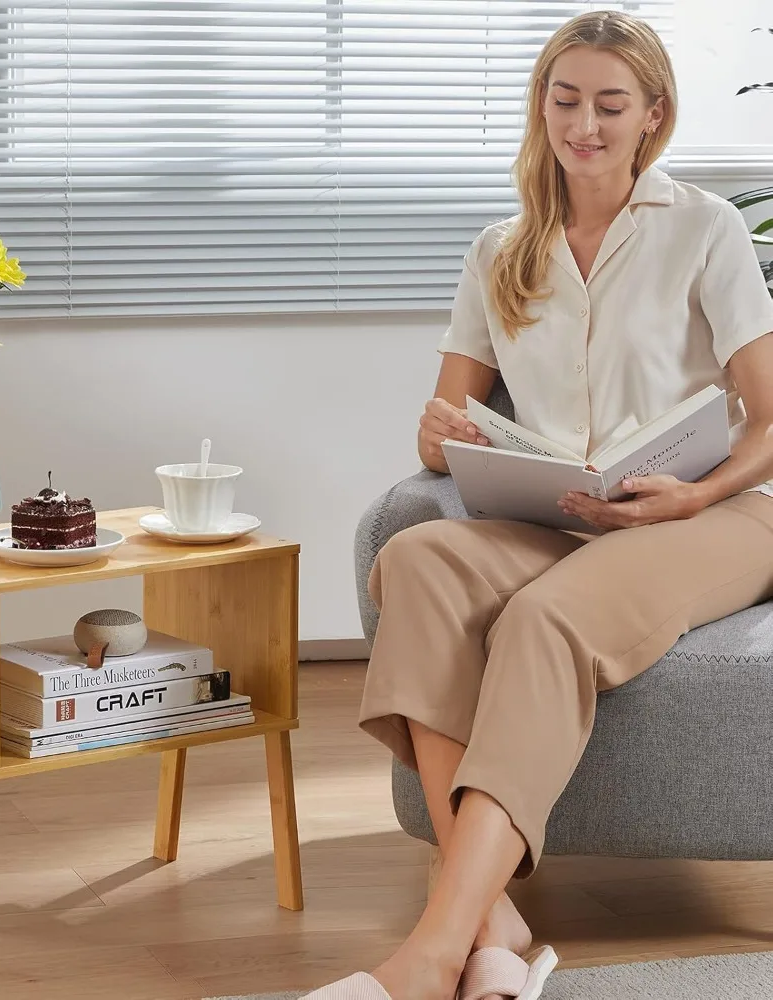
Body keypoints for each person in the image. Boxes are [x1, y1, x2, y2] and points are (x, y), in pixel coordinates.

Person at [301, 9, 773, 1000]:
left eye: (610, 104)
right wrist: (443, 438)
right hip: (557, 512)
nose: (584, 126)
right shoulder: (500, 249)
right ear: (540, 107)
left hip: (709, 516)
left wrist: (696, 490)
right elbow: (440, 421)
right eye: (565, 101)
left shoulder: (705, 228)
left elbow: (769, 418)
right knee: (416, 562)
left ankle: (434, 949)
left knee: (546, 619)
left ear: (653, 115)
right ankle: (499, 925)